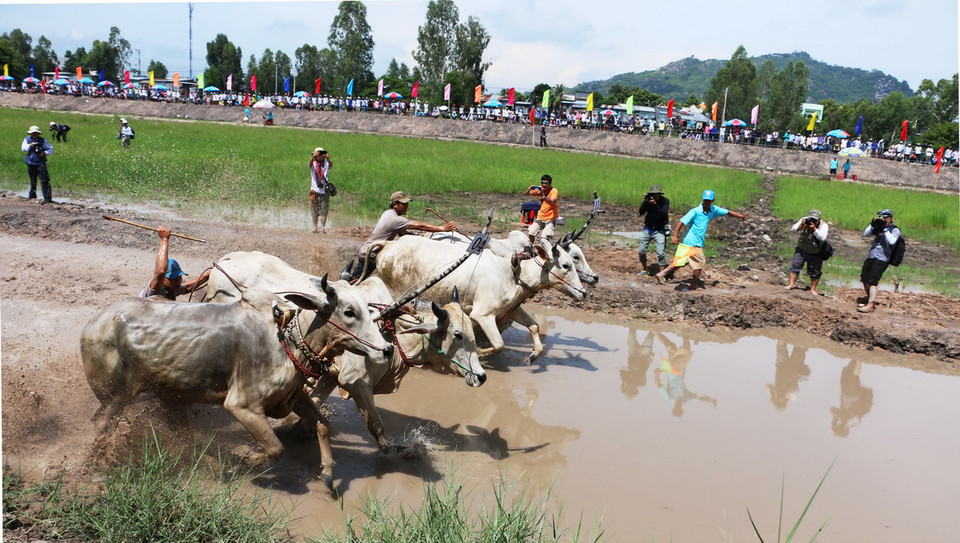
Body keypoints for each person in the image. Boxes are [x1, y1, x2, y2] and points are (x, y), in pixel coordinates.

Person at [351, 191, 456, 280]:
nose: (406, 206)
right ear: (395, 204)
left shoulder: (387, 213)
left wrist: (421, 239)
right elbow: (420, 226)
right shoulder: (396, 219)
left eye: (406, 204)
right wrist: (443, 229)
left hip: (366, 251)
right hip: (371, 254)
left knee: (357, 277)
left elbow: (402, 233)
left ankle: (347, 281)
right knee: (398, 271)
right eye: (403, 204)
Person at [654, 189, 747, 290]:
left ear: (713, 200)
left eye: (709, 200)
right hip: (693, 242)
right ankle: (694, 285)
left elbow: (728, 212)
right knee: (699, 263)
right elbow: (681, 222)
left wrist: (740, 216)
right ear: (703, 199)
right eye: (705, 200)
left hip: (693, 242)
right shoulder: (695, 211)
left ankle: (661, 274)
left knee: (682, 262)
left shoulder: (714, 210)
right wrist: (675, 236)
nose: (707, 202)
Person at [139, 226, 210, 300]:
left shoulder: (172, 288)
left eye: (179, 277)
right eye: (172, 278)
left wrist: (206, 275)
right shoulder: (156, 289)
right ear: (163, 279)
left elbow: (187, 288)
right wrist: (164, 239)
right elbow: (161, 271)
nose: (178, 281)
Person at [858, 209, 900, 313]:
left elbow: (892, 241)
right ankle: (870, 299)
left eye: (883, 218)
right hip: (872, 256)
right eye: (880, 217)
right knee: (864, 278)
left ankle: (871, 305)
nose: (881, 219)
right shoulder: (878, 227)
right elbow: (866, 234)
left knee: (873, 281)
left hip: (883, 259)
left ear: (889, 218)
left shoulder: (895, 229)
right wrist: (873, 225)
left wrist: (885, 230)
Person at [785, 209, 829, 295]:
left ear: (818, 220)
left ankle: (813, 289)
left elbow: (822, 237)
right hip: (801, 249)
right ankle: (791, 284)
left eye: (814, 220)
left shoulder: (824, 225)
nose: (812, 221)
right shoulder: (804, 220)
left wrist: (815, 229)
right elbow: (793, 229)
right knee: (795, 265)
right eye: (811, 219)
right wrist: (801, 224)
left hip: (815, 252)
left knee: (815, 272)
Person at [636, 184, 670, 276]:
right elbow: (641, 212)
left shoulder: (665, 201)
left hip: (660, 230)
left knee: (660, 253)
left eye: (656, 194)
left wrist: (654, 205)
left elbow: (663, 213)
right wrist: (645, 202)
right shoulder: (648, 201)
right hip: (648, 228)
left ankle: (662, 273)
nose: (655, 196)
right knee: (641, 251)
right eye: (653, 194)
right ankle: (645, 269)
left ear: (660, 194)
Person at [21, 125, 54, 204]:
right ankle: (32, 195)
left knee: (45, 180)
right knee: (33, 179)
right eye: (32, 133)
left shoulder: (43, 141)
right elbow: (23, 148)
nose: (34, 135)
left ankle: (47, 198)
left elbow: (50, 149)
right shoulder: (27, 140)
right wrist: (30, 146)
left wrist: (44, 153)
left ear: (38, 134)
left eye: (35, 133)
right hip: (31, 162)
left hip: (40, 162)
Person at [524, 174, 559, 243]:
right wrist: (530, 188)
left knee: (544, 238)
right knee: (531, 233)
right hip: (541, 216)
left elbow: (552, 201)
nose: (544, 185)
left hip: (550, 218)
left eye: (546, 183)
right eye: (542, 183)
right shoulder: (540, 189)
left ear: (550, 183)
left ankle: (545, 251)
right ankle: (531, 249)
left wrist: (542, 196)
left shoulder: (554, 191)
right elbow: (527, 194)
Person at [309, 146, 332, 233]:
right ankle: (315, 227)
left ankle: (322, 228)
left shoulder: (326, 164)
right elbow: (310, 164)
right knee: (314, 211)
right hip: (314, 191)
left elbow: (331, 165)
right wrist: (312, 156)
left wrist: (328, 159)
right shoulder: (313, 164)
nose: (320, 156)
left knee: (324, 211)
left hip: (324, 191)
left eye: (321, 154)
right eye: (318, 154)